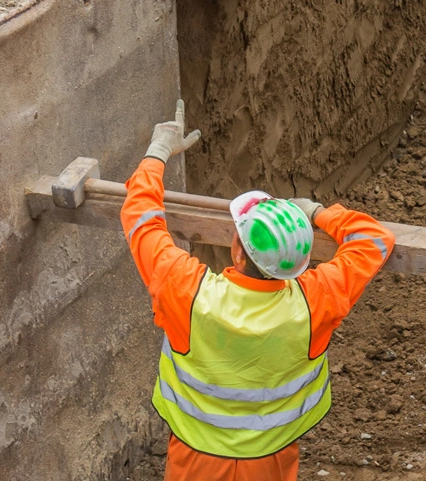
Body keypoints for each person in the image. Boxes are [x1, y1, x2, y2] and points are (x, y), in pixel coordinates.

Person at [119, 100, 395, 481]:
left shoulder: (187, 290)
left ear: (237, 248)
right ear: (299, 263)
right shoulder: (315, 300)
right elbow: (374, 239)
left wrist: (159, 152)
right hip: (271, 460)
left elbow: (142, 219)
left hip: (196, 457)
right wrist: (317, 212)